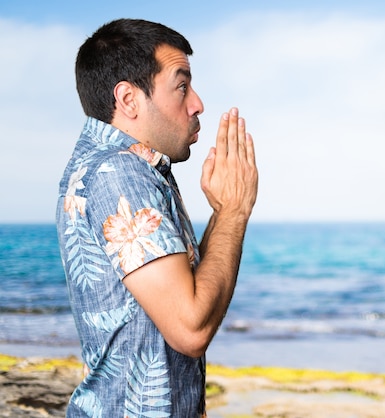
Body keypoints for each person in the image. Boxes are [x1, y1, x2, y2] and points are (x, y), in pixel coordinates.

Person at [56, 18, 258, 417]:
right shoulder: (119, 175)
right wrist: (234, 212)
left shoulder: (124, 169)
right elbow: (190, 328)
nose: (197, 102)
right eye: (181, 85)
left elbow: (180, 305)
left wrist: (222, 210)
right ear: (128, 99)